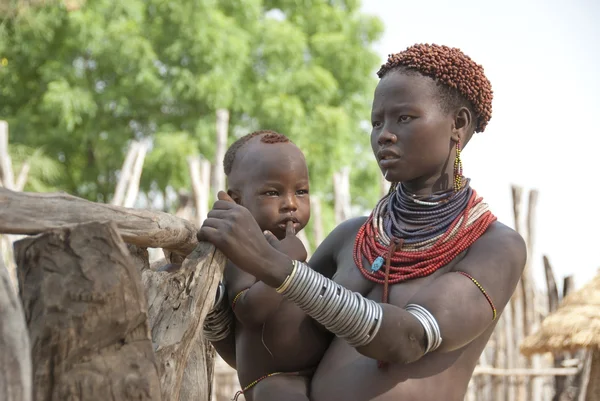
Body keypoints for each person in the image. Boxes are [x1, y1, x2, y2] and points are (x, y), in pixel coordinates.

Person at [199, 44, 526, 401]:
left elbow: (409, 339)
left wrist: (274, 265)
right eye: (376, 122)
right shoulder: (351, 237)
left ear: (458, 125)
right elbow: (263, 347)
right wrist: (213, 296)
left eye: (404, 118)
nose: (383, 134)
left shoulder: (493, 245)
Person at [202, 130, 332, 401]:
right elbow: (250, 309)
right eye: (273, 192)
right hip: (273, 383)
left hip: (315, 375)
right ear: (237, 201)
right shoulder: (241, 251)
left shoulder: (293, 248)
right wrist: (287, 261)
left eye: (301, 191)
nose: (291, 204)